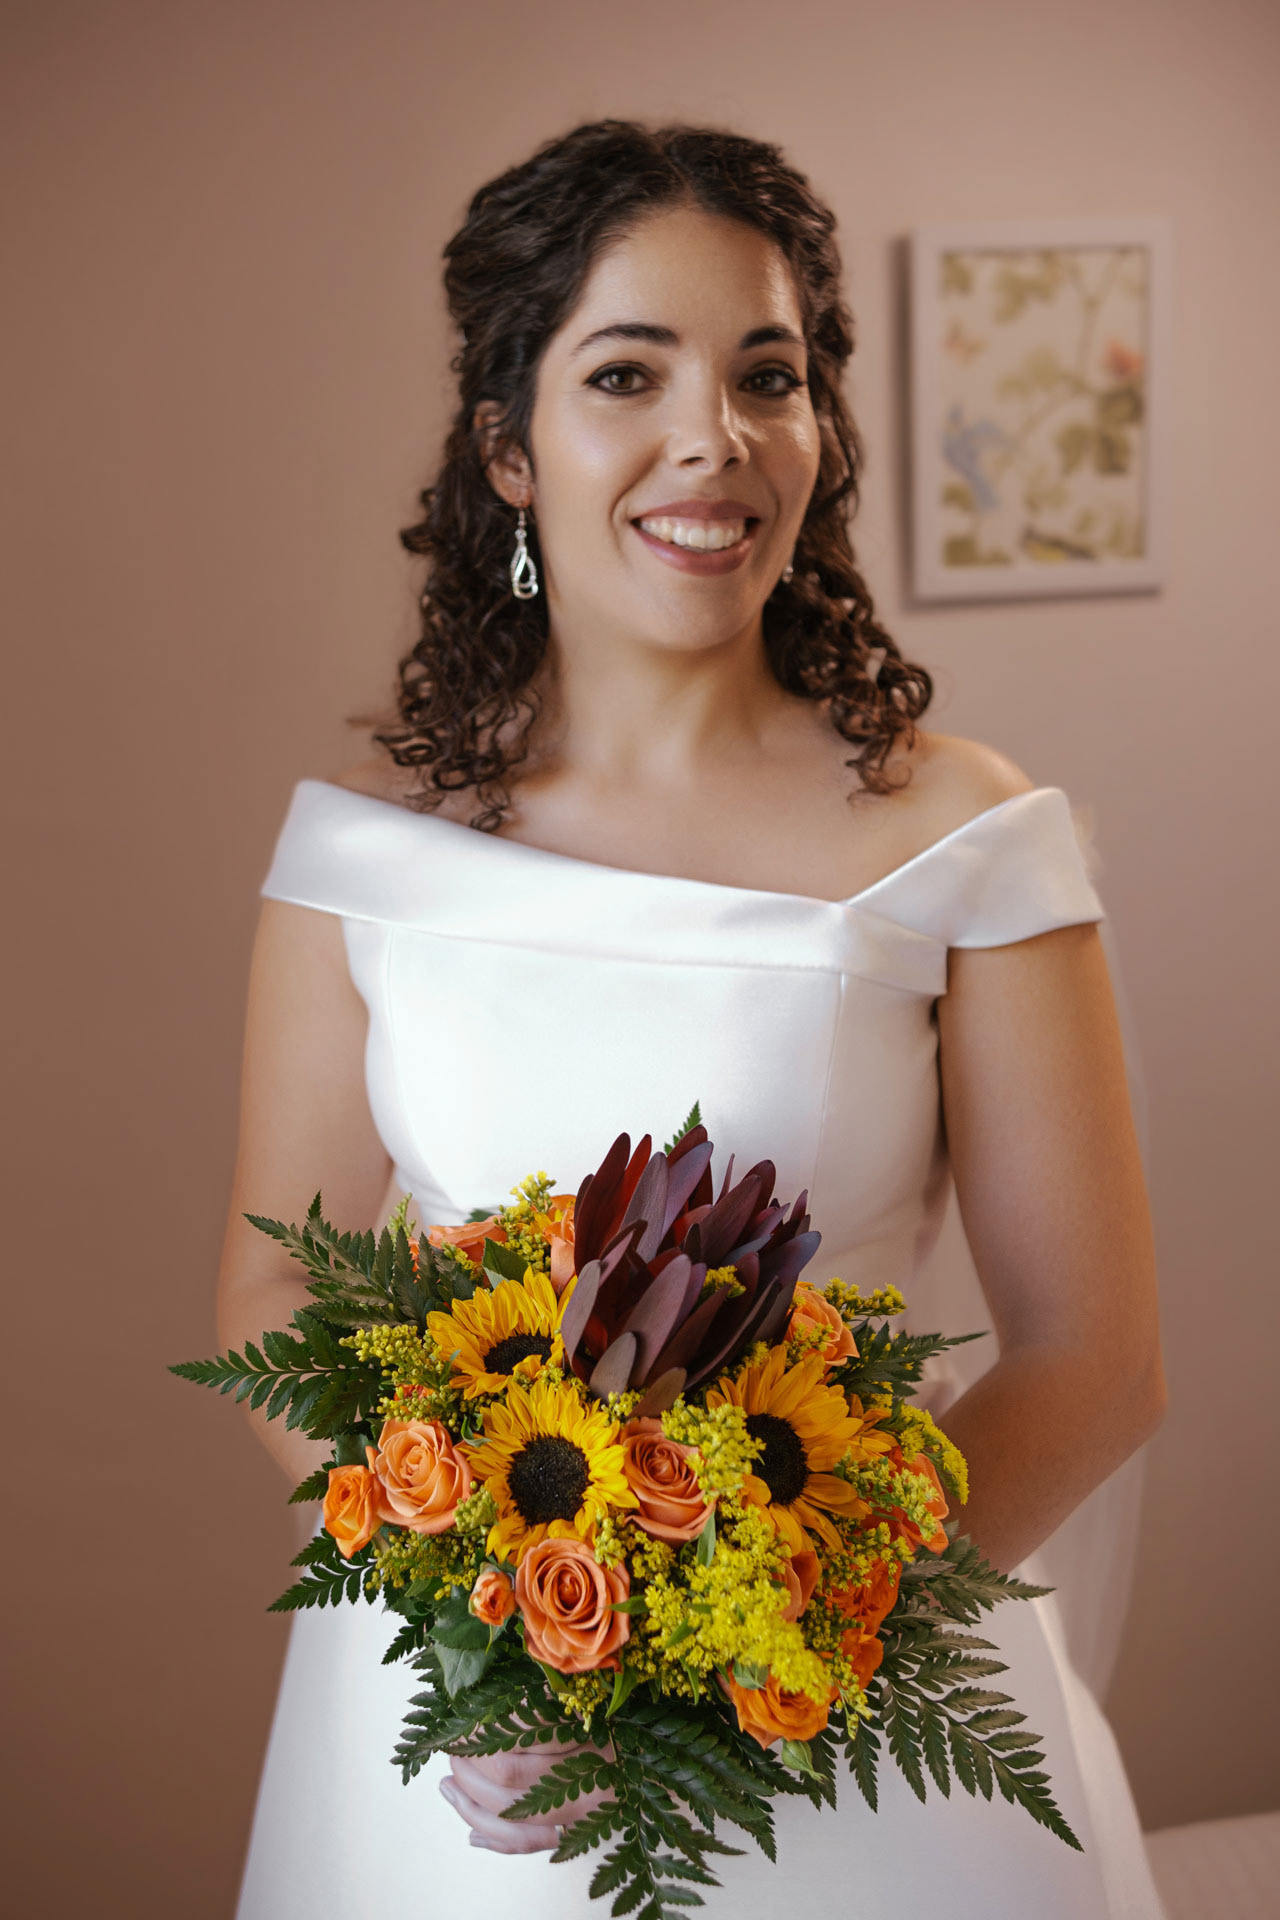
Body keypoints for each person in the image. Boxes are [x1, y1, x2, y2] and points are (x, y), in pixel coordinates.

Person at [220, 120, 1168, 1917]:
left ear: (820, 432)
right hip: (461, 1722)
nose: (711, 439)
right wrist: (490, 1616)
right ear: (509, 449)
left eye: (768, 375)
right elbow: (274, 1290)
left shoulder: (969, 835)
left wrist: (770, 1652)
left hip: (857, 1712)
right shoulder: (366, 854)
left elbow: (1095, 1361)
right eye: (625, 374)